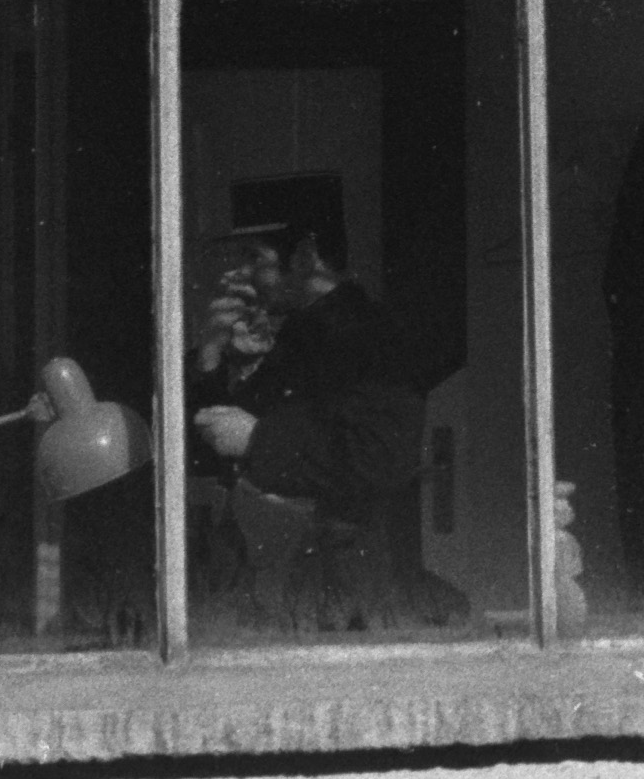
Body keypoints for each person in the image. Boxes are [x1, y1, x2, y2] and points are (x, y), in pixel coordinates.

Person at [187, 229, 463, 630]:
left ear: (305, 255)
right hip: (287, 590)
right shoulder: (301, 335)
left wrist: (257, 439)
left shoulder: (369, 334)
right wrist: (213, 354)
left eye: (252, 258)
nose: (236, 275)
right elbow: (211, 450)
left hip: (346, 594)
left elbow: (382, 458)